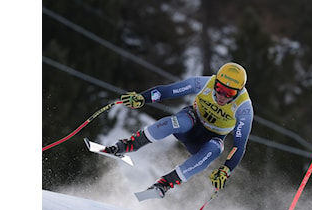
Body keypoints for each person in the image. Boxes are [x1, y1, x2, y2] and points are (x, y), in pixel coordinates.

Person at [105, 62, 253, 198]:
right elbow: (169, 91)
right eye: (219, 88)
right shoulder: (205, 83)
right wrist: (142, 98)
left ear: (239, 92)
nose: (222, 96)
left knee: (216, 149)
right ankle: (129, 144)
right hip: (191, 120)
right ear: (216, 82)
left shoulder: (244, 109)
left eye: (229, 93)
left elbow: (239, 146)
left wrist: (226, 170)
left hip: (207, 140)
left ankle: (165, 183)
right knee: (181, 122)